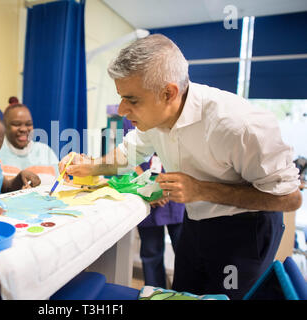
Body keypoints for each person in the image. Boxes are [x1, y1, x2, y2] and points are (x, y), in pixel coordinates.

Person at [59, 34, 302, 299]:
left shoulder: (239, 125)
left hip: (245, 231)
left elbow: (289, 199)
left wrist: (203, 190)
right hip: (196, 223)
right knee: (182, 295)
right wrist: (90, 167)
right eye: (121, 97)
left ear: (168, 93)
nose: (121, 109)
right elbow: (125, 156)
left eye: (132, 100)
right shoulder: (154, 118)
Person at [123, 118, 184, 288]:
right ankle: (156, 294)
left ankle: (183, 294)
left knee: (185, 253)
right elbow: (128, 157)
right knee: (151, 253)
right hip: (147, 192)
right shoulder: (130, 118)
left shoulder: (176, 114)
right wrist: (149, 188)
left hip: (176, 190)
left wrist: (166, 188)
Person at [0, 102, 59, 186]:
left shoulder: (45, 151)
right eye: (16, 124)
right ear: (4, 126)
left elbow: (60, 184)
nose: (23, 129)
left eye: (28, 124)